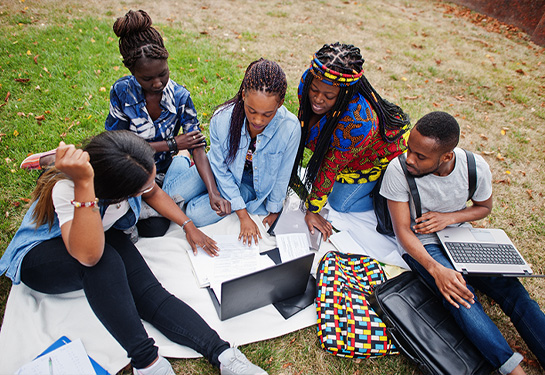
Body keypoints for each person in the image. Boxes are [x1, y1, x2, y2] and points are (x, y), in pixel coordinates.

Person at [0, 131, 267, 375]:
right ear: (116, 192)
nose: (149, 190)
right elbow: (88, 256)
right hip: (41, 255)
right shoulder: (70, 189)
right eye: (141, 189)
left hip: (102, 234)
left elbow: (154, 192)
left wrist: (187, 225)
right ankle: (147, 363)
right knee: (105, 263)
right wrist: (83, 185)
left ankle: (223, 354)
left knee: (150, 293)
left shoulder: (125, 167)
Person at [20, 10, 231, 237]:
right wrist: (172, 144)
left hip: (161, 173)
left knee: (158, 223)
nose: (158, 83)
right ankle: (56, 158)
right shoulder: (122, 92)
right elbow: (118, 147)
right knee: (151, 225)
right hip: (128, 173)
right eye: (147, 79)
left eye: (163, 73)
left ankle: (178, 170)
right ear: (131, 71)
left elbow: (197, 146)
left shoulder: (181, 97)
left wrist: (213, 192)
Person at [380, 111, 545, 375]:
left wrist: (449, 218)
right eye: (409, 149)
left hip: (461, 236)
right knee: (461, 296)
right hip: (424, 244)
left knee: (514, 292)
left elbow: (483, 208)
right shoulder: (399, 171)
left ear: (446, 156)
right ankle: (512, 369)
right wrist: (437, 270)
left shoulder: (475, 167)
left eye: (420, 156)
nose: (409, 159)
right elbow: (403, 232)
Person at [163, 58, 300, 245]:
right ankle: (183, 156)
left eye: (267, 114)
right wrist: (243, 216)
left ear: (280, 103)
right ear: (243, 95)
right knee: (170, 195)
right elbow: (220, 168)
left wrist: (274, 210)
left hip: (249, 184)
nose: (258, 120)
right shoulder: (222, 119)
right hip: (216, 170)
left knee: (194, 213)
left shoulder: (290, 128)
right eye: (252, 111)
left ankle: (190, 172)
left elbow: (283, 174)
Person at [290, 42, 411, 241]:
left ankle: (386, 194)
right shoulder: (310, 78)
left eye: (329, 96)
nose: (318, 99)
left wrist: (312, 210)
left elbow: (330, 166)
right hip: (350, 152)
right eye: (315, 90)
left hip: (375, 158)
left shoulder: (359, 122)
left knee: (339, 203)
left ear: (345, 94)